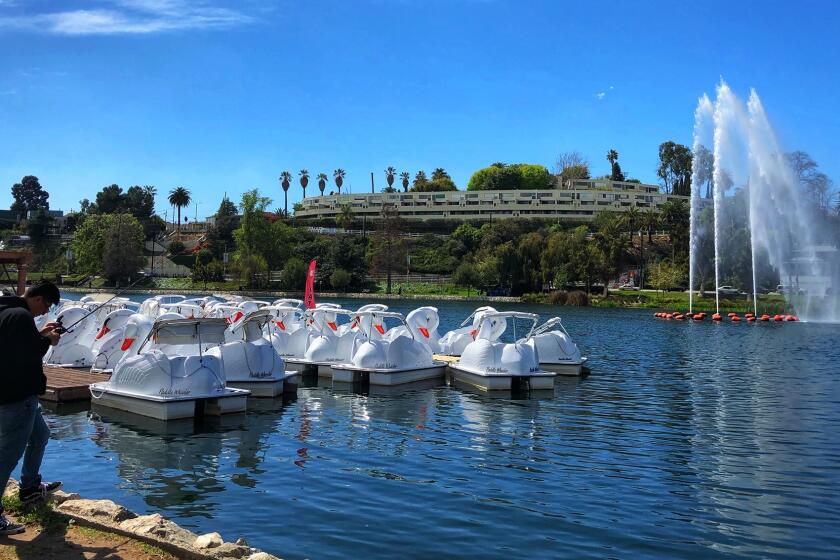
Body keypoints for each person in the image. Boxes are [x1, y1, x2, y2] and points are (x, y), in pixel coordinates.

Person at [0, 282, 63, 536]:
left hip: (14, 395)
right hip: (17, 398)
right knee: (5, 458)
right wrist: (48, 339)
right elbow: (28, 354)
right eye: (46, 305)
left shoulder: (6, 310)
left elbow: (14, 348)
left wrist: (38, 335)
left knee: (40, 436)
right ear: (36, 298)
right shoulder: (22, 316)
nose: (44, 311)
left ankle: (29, 488)